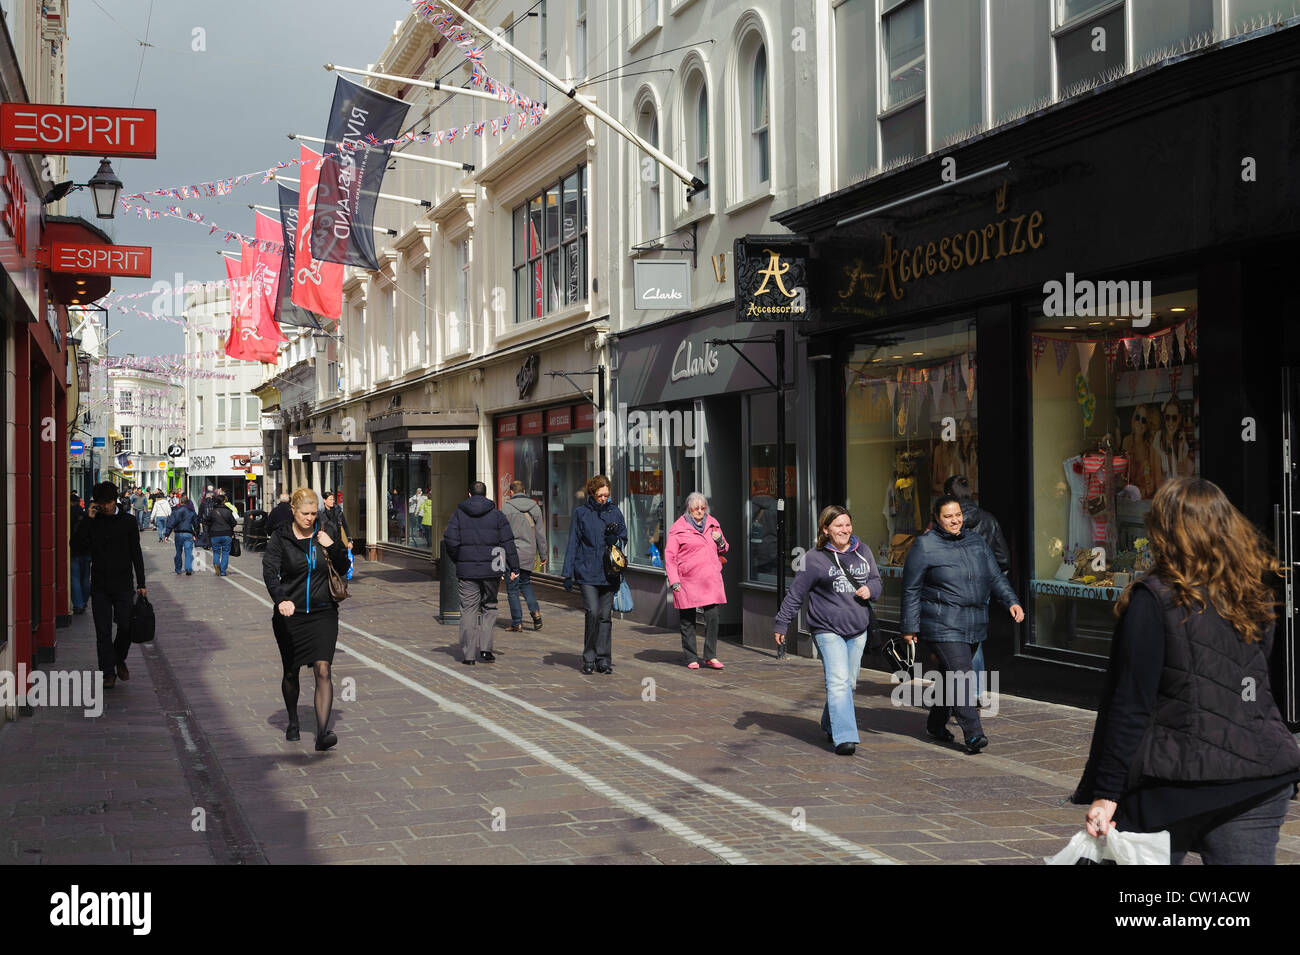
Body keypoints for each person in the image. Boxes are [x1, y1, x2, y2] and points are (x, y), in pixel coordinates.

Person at [1072, 477, 1300, 863]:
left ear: (1162, 531)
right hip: (1259, 773)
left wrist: (1106, 793)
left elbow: (1130, 703)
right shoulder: (1253, 593)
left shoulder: (1153, 598)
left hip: (1172, 779)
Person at [901, 495, 1024, 754]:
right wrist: (909, 627)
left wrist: (1011, 600)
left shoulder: (976, 540)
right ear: (936, 518)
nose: (955, 520)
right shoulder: (925, 546)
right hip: (941, 622)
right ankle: (973, 734)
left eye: (958, 515)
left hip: (974, 620)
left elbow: (994, 576)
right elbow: (911, 589)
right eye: (948, 516)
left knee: (949, 677)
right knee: (962, 675)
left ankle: (935, 724)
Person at [773, 506, 881, 755]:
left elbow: (876, 580)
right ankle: (845, 737)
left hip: (858, 629)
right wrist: (782, 622)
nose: (845, 530)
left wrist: (870, 590)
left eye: (847, 524)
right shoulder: (814, 558)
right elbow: (796, 593)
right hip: (826, 629)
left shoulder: (862, 551)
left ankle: (829, 721)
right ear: (825, 529)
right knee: (838, 682)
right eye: (838, 526)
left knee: (849, 683)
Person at [262, 488, 351, 750]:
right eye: (305, 513)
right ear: (294, 511)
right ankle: (292, 721)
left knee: (323, 668)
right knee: (291, 671)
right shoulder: (281, 537)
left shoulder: (326, 531)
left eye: (313, 513)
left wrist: (332, 546)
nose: (309, 518)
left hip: (324, 611)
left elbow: (344, 568)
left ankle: (323, 732)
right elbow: (269, 571)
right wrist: (281, 599)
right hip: (292, 613)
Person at [70, 482, 146, 689]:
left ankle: (118, 658)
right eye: (102, 503)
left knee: (126, 626)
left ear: (115, 500)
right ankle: (108, 673)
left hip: (123, 584)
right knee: (102, 631)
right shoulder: (92, 522)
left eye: (109, 503)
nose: (106, 507)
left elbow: (136, 553)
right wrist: (88, 519)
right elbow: (75, 545)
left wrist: (141, 582)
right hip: (100, 586)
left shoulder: (128, 522)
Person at [943, 474, 1009, 703]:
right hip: (981, 589)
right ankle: (977, 691)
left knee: (950, 638)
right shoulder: (988, 520)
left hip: (950, 587)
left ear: (949, 496)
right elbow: (1003, 559)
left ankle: (958, 691)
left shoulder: (944, 522)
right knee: (975, 639)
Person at [442, 481, 520, 665]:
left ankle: (469, 656)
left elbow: (450, 540)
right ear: (486, 495)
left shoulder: (459, 514)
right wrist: (514, 567)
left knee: (468, 610)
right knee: (490, 607)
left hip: (467, 570)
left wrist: (459, 558)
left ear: (469, 494)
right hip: (492, 568)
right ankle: (486, 650)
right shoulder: (497, 515)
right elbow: (508, 542)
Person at [562, 475, 628, 675]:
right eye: (600, 495)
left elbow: (624, 537)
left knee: (605, 616)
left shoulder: (614, 512)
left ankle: (604, 659)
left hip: (609, 573)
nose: (604, 499)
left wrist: (614, 538)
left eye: (607, 495)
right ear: (593, 493)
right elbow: (573, 542)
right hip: (587, 570)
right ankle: (589, 656)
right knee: (592, 612)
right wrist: (567, 573)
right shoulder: (581, 513)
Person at [665, 492, 729, 670]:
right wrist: (674, 580)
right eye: (696, 508)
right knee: (687, 620)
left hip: (709, 579)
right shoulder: (678, 528)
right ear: (689, 509)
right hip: (687, 580)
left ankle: (710, 655)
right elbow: (670, 557)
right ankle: (691, 656)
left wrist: (721, 541)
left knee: (713, 617)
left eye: (703, 508)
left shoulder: (713, 524)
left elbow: (724, 548)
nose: (700, 511)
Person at [501, 480, 547, 632]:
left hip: (512, 553)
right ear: (525, 490)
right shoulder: (535, 507)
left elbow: (501, 533)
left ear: (511, 492)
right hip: (529, 553)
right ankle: (536, 613)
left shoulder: (506, 508)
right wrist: (543, 554)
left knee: (513, 589)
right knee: (525, 583)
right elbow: (540, 533)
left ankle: (517, 622)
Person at [206, 491, 239, 577]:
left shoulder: (213, 511)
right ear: (224, 501)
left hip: (215, 534)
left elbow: (207, 521)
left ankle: (217, 566)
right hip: (226, 534)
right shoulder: (228, 511)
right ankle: (223, 571)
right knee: (225, 553)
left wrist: (212, 525)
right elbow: (234, 523)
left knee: (216, 552)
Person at [164, 495, 199, 575]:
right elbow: (196, 524)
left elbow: (171, 523)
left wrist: (167, 534)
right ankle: (188, 568)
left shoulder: (176, 511)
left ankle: (178, 568)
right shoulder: (191, 512)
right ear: (187, 502)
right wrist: (196, 533)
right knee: (188, 552)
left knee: (178, 552)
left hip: (178, 533)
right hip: (188, 533)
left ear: (180, 502)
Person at [69, 492, 91, 615]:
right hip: (87, 551)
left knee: (75, 578)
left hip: (74, 550)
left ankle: (78, 604)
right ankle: (84, 601)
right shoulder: (85, 515)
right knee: (85, 578)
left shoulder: (68, 515)